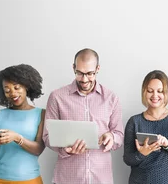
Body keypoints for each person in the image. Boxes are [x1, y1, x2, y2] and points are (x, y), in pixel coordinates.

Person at [43, 48, 124, 184]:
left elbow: (119, 135)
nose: (84, 79)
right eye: (79, 73)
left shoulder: (111, 98)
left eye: (90, 73)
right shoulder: (57, 97)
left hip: (101, 178)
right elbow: (46, 136)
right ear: (73, 68)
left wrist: (111, 137)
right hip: (68, 179)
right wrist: (65, 149)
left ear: (98, 69)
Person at [123, 70, 168, 183]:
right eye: (150, 91)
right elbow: (128, 159)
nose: (155, 95)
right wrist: (142, 154)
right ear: (144, 92)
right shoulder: (134, 122)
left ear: (166, 93)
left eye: (160, 91)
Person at [0, 64, 46, 184]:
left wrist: (17, 137)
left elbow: (38, 149)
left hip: (30, 179)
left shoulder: (41, 114)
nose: (13, 93)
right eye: (7, 90)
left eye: (16, 87)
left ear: (26, 86)